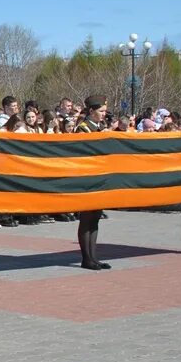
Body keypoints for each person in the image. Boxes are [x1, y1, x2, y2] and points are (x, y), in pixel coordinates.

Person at [73, 95, 111, 270]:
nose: (103, 114)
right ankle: (86, 258)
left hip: (98, 179)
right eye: (101, 111)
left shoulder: (98, 127)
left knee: (95, 218)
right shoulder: (83, 129)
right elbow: (82, 153)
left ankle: (94, 257)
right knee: (87, 219)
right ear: (91, 111)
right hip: (86, 180)